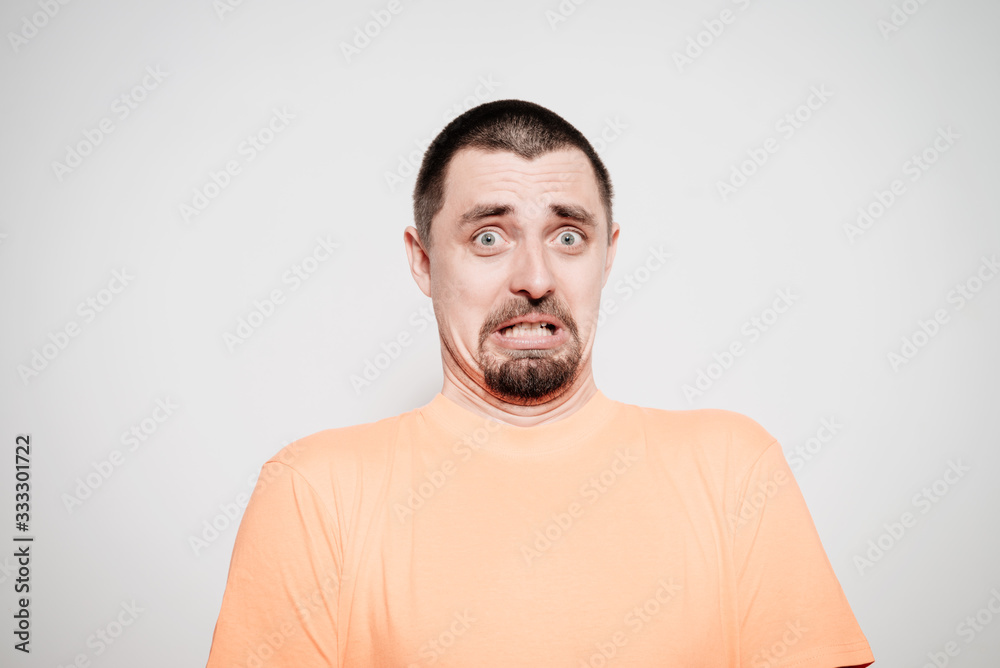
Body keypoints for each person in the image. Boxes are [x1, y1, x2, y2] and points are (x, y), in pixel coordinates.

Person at [205, 99, 875, 667]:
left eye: (568, 236)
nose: (535, 278)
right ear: (423, 261)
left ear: (608, 256)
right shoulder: (314, 491)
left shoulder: (733, 468)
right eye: (489, 237)